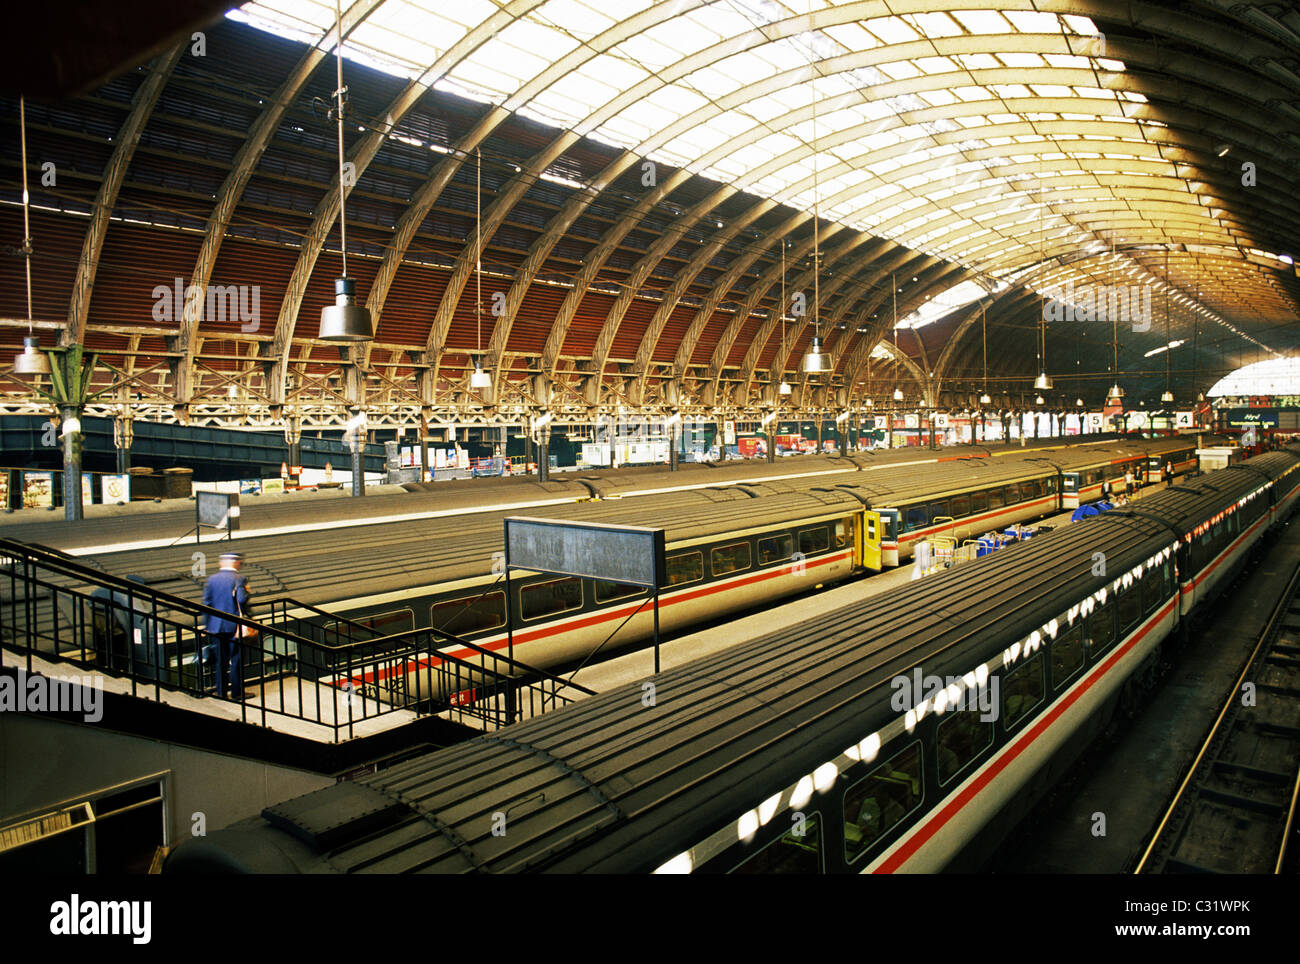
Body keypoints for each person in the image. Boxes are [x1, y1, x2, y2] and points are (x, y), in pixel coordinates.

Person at [201, 551, 251, 699]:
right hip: (234, 626)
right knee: (235, 660)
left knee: (221, 661)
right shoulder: (239, 579)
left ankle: (221, 693)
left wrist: (208, 625)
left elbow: (206, 604)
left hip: (216, 626)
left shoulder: (212, 579)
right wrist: (247, 592)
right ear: (236, 563)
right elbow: (241, 599)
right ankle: (237, 693)